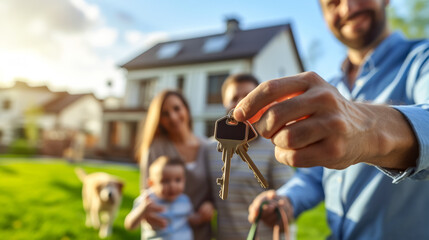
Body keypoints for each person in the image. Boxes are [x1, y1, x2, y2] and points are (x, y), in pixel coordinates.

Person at [240, 0, 429, 239]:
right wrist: (288, 199)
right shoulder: (331, 87)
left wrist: (367, 131)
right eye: (333, 3)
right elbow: (316, 176)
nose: (348, 8)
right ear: (324, 17)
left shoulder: (422, 59)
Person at [208, 73, 295, 240]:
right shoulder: (210, 149)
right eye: (234, 98)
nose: (241, 103)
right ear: (224, 103)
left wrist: (277, 206)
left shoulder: (275, 147)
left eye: (247, 97)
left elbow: (288, 199)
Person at [132, 90, 213, 240]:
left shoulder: (208, 147)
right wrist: (149, 215)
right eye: (165, 114)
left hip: (200, 231)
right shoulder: (156, 148)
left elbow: (215, 187)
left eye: (177, 108)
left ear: (186, 109)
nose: (173, 117)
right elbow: (147, 190)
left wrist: (210, 204)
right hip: (166, 230)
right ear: (159, 119)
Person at [124, 156, 214, 240]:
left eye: (178, 180)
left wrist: (201, 217)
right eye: (165, 181)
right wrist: (142, 210)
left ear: (184, 181)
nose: (172, 186)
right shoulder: (147, 200)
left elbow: (190, 219)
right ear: (151, 183)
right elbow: (129, 225)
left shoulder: (184, 200)